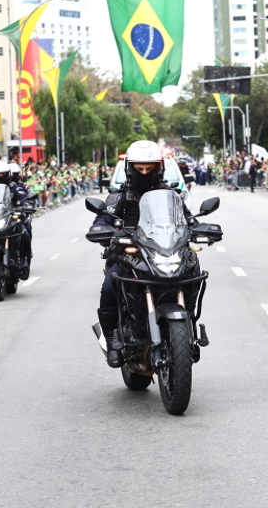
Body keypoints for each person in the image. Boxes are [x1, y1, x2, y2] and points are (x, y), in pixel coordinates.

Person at [93, 140, 194, 367]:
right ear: (131, 167)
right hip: (130, 255)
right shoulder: (120, 196)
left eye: (150, 168)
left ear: (159, 167)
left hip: (165, 253)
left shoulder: (172, 195)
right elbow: (103, 218)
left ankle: (190, 323)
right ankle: (112, 341)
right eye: (140, 168)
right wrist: (101, 227)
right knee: (110, 285)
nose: (145, 172)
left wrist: (198, 227)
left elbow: (188, 220)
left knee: (194, 269)